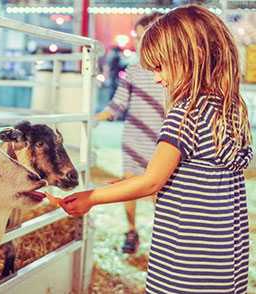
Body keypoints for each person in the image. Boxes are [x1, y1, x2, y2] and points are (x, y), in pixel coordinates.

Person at [59, 4, 253, 293]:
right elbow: (196, 172)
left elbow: (152, 181)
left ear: (192, 57)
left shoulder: (185, 113)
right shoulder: (232, 108)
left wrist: (92, 197)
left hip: (185, 254)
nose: (157, 79)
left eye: (160, 67)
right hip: (225, 251)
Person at [95, 12, 165, 254]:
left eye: (145, 35)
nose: (140, 41)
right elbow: (118, 103)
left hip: (163, 142)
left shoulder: (173, 71)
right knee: (129, 186)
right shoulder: (133, 70)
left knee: (160, 191)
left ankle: (164, 239)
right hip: (134, 137)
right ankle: (131, 231)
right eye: (139, 36)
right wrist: (93, 119)